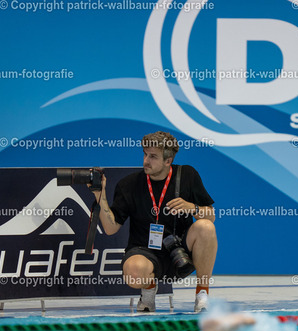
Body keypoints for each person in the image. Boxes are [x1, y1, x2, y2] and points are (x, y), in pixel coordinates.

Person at [92, 131, 217, 313]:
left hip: (180, 252)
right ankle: (148, 291)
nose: (146, 161)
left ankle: (202, 294)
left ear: (168, 161)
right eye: (145, 154)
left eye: (153, 157)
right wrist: (100, 195)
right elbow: (111, 228)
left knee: (206, 227)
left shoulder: (188, 175)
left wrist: (192, 207)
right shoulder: (129, 184)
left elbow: (211, 215)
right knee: (134, 273)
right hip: (145, 251)